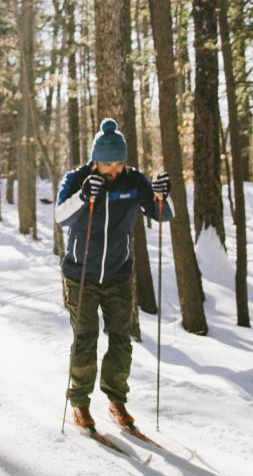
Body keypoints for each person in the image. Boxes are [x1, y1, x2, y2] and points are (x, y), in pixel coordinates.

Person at [55, 118, 171, 430]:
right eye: (108, 165)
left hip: (118, 274)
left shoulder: (133, 180)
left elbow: (162, 214)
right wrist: (82, 196)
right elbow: (60, 217)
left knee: (121, 340)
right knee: (85, 338)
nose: (114, 170)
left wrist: (162, 195)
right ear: (96, 160)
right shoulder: (77, 178)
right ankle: (79, 402)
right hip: (80, 274)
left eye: (119, 164)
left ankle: (116, 400)